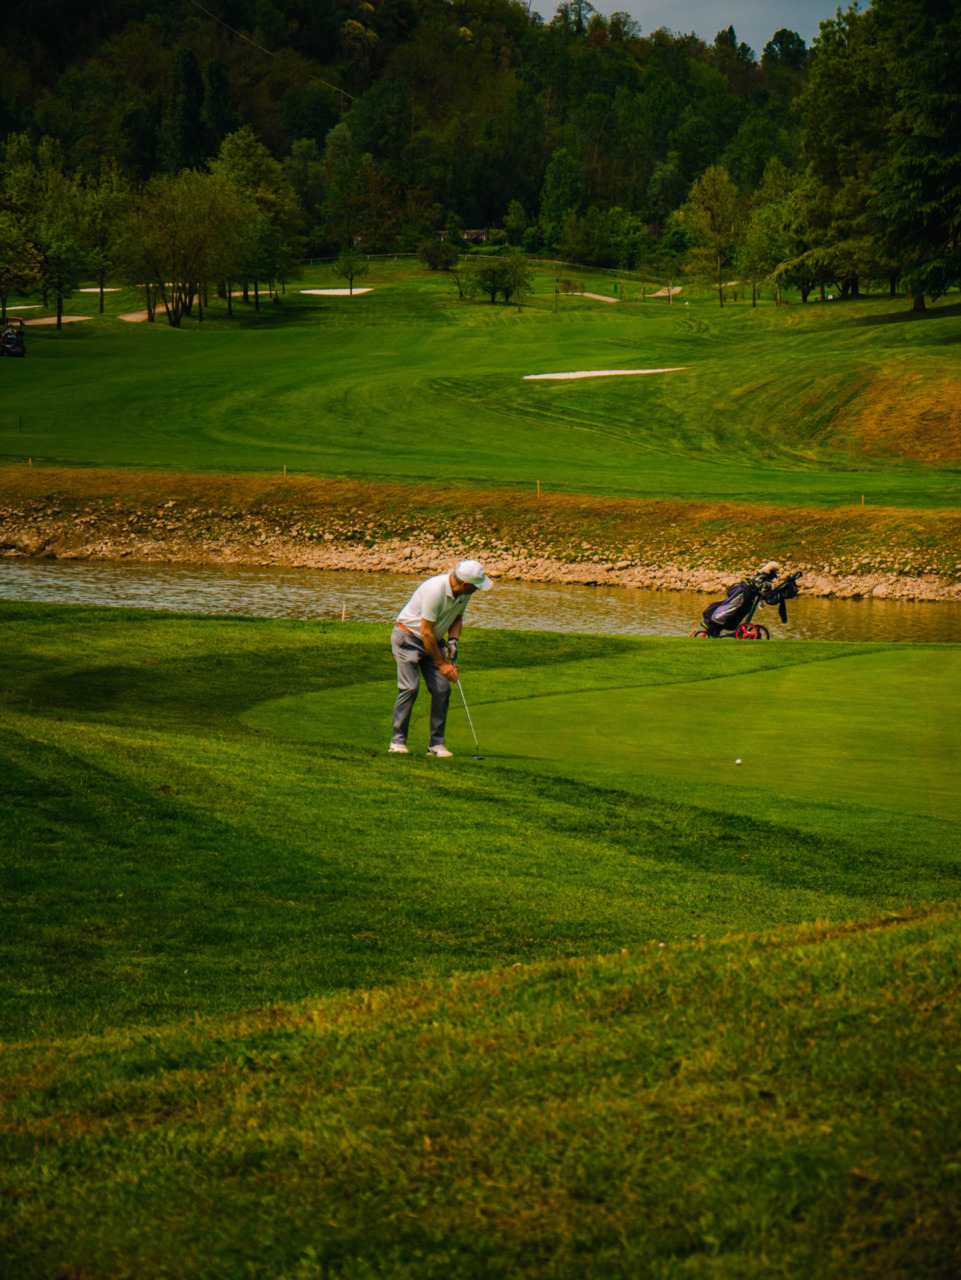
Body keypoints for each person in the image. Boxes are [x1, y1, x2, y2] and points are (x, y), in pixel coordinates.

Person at [389, 559, 492, 756]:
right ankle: (397, 742)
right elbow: (426, 632)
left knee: (442, 689)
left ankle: (436, 744)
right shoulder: (435, 590)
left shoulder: (464, 593)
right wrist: (442, 665)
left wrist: (453, 640)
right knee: (410, 687)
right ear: (464, 583)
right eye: (476, 586)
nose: (477, 590)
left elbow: (457, 618)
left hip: (432, 642)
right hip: (407, 638)